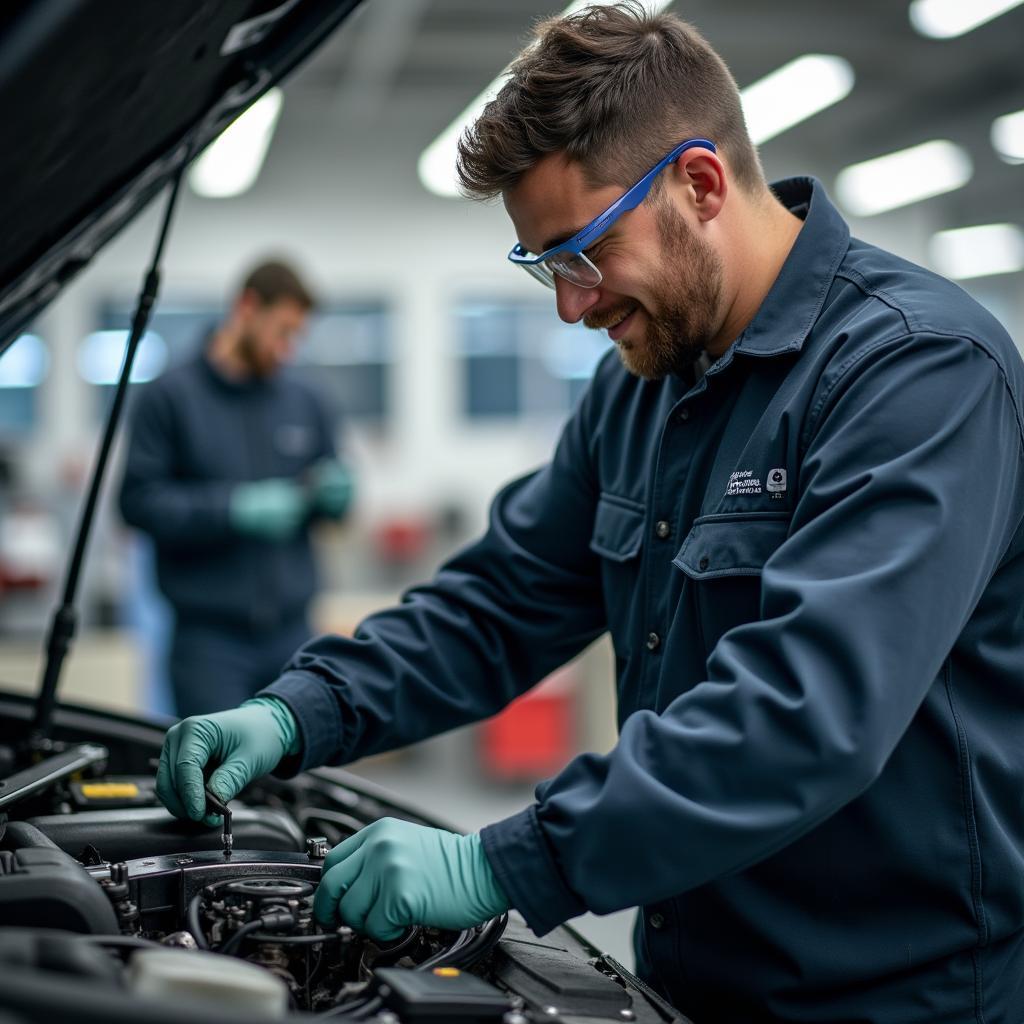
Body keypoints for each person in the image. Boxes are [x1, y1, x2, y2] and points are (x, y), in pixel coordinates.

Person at [154, 6, 1024, 1022]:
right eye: (544, 267)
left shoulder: (916, 373)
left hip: (897, 997)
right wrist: (299, 709)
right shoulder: (641, 386)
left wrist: (504, 861)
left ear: (699, 184)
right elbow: (498, 603)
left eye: (581, 252)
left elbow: (805, 713)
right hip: (686, 973)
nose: (570, 307)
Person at [120, 259, 354, 718]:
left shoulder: (306, 400)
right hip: (208, 643)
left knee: (298, 784)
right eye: (282, 331)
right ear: (247, 307)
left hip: (292, 635)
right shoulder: (170, 398)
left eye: (297, 336)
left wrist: (339, 499)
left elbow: (329, 501)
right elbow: (138, 504)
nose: (288, 349)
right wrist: (231, 510)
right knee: (214, 782)